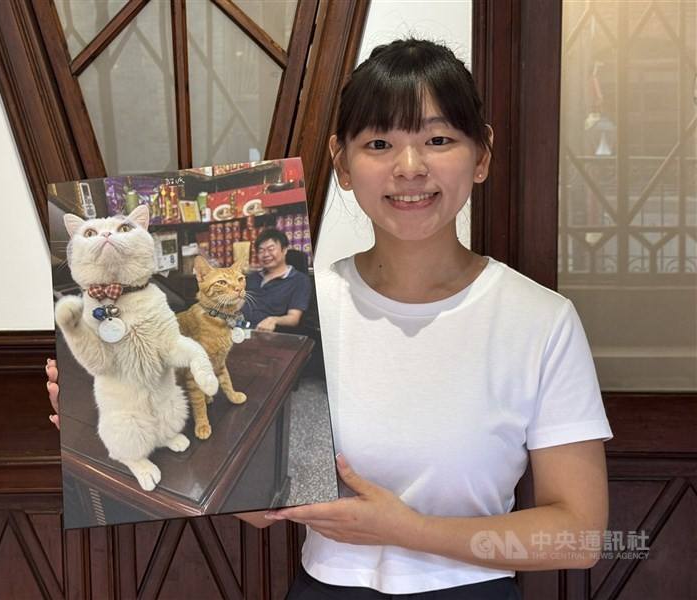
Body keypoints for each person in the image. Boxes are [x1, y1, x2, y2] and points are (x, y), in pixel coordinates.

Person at [48, 38, 613, 599]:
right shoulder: (311, 309)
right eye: (379, 143)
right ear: (342, 162)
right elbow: (253, 483)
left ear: (482, 154)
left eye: (438, 139)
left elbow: (580, 537)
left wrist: (412, 532)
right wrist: (100, 400)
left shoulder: (541, 320)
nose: (410, 167)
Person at [242, 228, 311, 332]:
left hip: (271, 336)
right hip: (240, 332)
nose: (265, 254)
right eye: (261, 250)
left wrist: (274, 320)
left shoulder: (299, 280)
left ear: (284, 250)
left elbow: (294, 318)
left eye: (270, 249)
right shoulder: (252, 277)